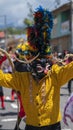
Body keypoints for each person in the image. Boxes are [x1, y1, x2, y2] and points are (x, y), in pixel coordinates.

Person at [0, 6, 73, 130]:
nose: (40, 64)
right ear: (29, 59)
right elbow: (2, 78)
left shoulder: (56, 74)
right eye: (35, 59)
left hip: (53, 127)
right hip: (31, 127)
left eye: (44, 59)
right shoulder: (22, 78)